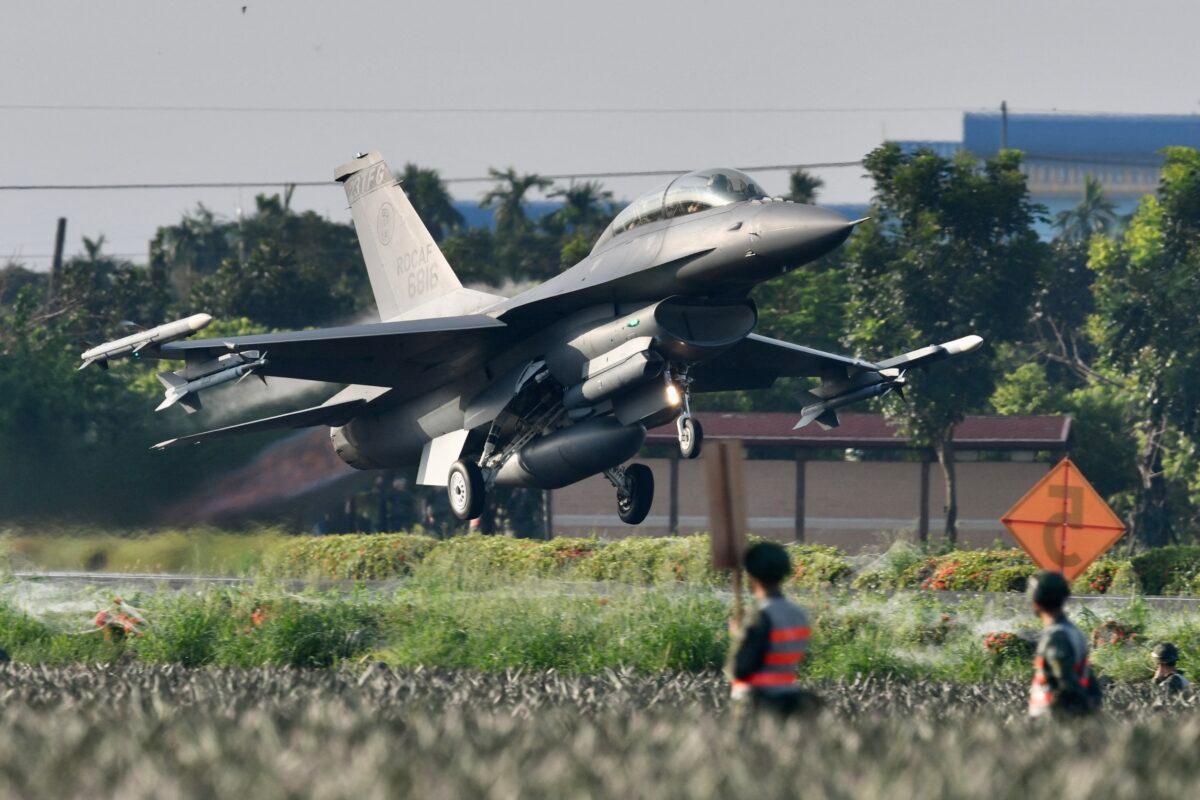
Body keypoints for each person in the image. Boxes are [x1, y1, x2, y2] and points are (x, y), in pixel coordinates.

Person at [727, 541, 817, 717]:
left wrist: (738, 636)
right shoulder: (799, 614)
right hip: (788, 700)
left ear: (752, 576)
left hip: (757, 704)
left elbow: (740, 669)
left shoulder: (760, 616)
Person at [1028, 570, 1102, 718]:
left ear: (1035, 602)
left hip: (1051, 721)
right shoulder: (1074, 632)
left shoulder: (1056, 637)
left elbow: (1066, 683)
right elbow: (1090, 683)